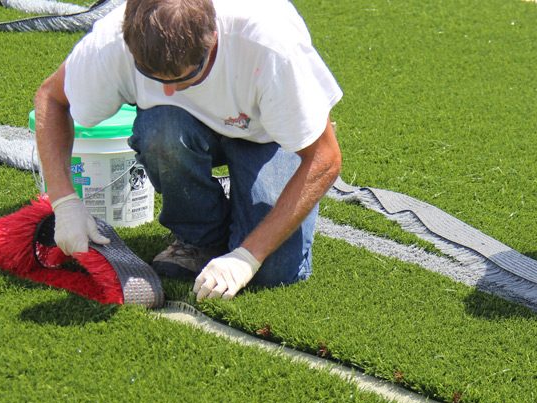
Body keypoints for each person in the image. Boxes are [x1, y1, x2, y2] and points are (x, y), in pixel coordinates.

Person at [33, 0, 342, 302]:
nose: (168, 90)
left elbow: (324, 158)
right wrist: (64, 201)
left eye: (185, 78)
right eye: (153, 77)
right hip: (178, 128)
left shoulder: (270, 46)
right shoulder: (113, 41)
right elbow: (52, 98)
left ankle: (238, 201)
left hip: (267, 134)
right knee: (161, 128)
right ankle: (199, 238)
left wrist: (248, 256)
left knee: (274, 271)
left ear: (214, 39)